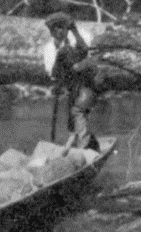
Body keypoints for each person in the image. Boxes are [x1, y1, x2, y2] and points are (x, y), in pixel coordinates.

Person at [42, 11, 99, 152]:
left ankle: (84, 146)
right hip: (70, 85)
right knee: (73, 121)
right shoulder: (50, 49)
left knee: (78, 111)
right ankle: (87, 144)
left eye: (62, 27)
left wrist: (74, 31)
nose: (59, 32)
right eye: (54, 29)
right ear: (51, 32)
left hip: (86, 83)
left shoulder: (77, 40)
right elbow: (53, 74)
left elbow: (86, 53)